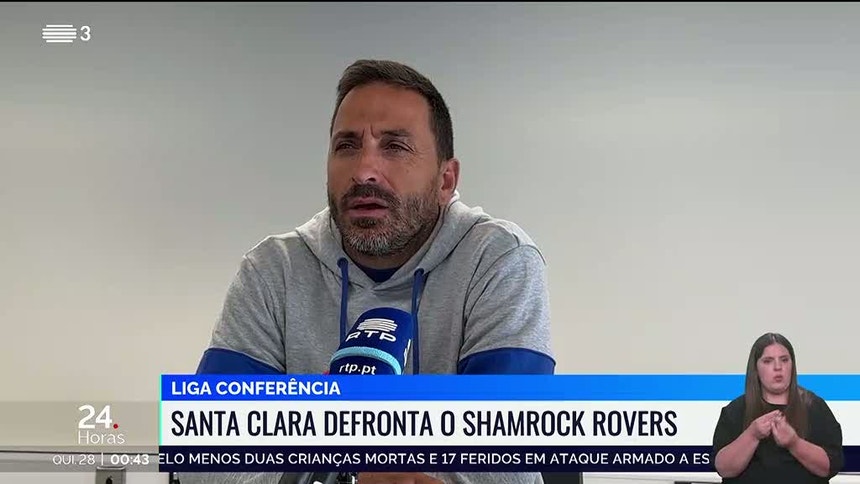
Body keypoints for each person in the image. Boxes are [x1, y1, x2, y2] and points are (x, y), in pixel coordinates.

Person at [194, 59, 555, 484]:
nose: (363, 171)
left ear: (445, 180)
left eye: (395, 146)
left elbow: (505, 464)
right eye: (347, 146)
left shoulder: (497, 259)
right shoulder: (272, 271)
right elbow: (210, 454)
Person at [711, 332, 844, 483]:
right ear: (756, 368)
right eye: (768, 361)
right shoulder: (736, 410)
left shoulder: (815, 407)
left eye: (784, 360)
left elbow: (829, 467)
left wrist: (794, 443)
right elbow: (723, 469)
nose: (778, 367)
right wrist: (752, 435)